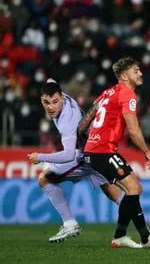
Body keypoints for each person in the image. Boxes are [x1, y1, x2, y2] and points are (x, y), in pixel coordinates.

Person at [79, 57, 150, 249]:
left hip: (94, 150)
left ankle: (134, 236)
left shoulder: (106, 93)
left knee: (133, 189)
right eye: (135, 71)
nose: (140, 73)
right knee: (134, 189)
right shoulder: (127, 94)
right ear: (124, 76)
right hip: (103, 150)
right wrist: (147, 151)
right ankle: (136, 237)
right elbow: (133, 129)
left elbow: (84, 123)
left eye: (139, 70)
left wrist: (88, 139)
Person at [28, 79, 123, 243]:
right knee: (114, 194)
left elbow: (69, 155)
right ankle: (147, 231)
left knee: (45, 179)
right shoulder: (60, 94)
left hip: (84, 154)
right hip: (96, 147)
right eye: (46, 102)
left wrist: (40, 157)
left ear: (62, 98)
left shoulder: (67, 122)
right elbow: (51, 81)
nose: (51, 107)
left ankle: (70, 223)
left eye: (55, 102)